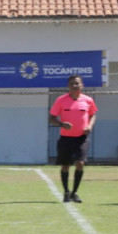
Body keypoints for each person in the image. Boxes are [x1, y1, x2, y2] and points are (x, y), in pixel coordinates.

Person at [49, 74, 98, 203]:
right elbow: (51, 118)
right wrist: (61, 124)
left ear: (82, 85)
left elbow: (93, 115)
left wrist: (89, 126)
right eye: (72, 83)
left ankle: (75, 193)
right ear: (68, 86)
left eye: (77, 83)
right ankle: (66, 192)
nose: (74, 85)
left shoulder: (88, 100)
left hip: (81, 138)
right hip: (65, 138)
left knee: (80, 164)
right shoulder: (61, 100)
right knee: (65, 166)